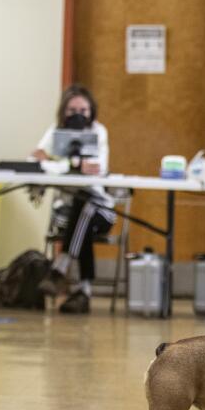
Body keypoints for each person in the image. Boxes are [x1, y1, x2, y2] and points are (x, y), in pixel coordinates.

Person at [30, 84, 116, 314]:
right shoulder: (55, 132)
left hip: (101, 210)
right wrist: (73, 164)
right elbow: (36, 161)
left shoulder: (98, 132)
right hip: (68, 213)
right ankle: (83, 291)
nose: (78, 114)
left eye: (83, 109)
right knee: (82, 209)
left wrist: (57, 163)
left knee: (86, 204)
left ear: (91, 111)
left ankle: (60, 266)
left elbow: (99, 168)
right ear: (63, 111)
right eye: (72, 109)